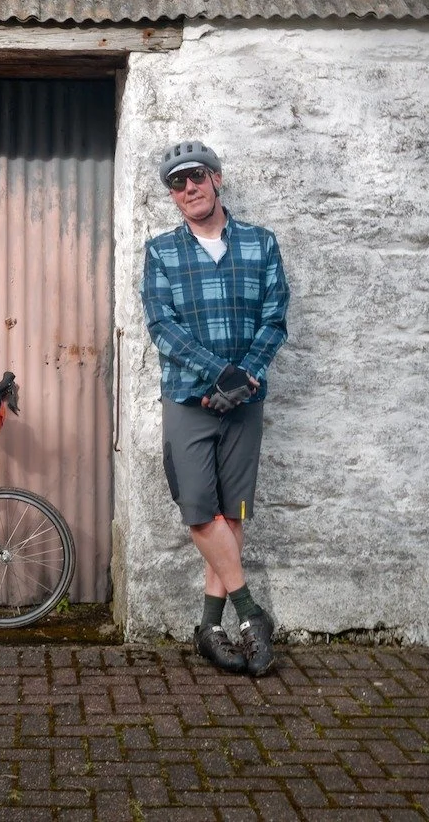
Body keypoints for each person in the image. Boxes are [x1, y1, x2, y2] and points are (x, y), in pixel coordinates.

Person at [139, 140, 290, 677]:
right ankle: (250, 612)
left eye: (197, 176)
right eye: (177, 183)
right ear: (173, 195)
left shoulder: (260, 243)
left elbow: (275, 317)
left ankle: (210, 628)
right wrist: (217, 373)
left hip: (245, 400)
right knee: (200, 511)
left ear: (217, 179)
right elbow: (162, 326)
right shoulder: (161, 252)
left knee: (232, 512)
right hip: (189, 398)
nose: (189, 188)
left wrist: (243, 377)